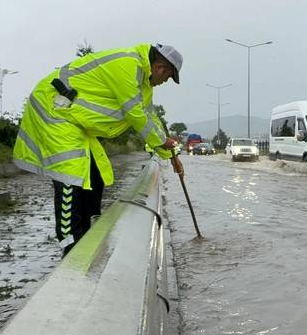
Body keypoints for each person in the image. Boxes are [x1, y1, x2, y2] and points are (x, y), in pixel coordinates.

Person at [12, 43, 184, 255]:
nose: (163, 82)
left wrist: (171, 154)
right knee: (71, 177)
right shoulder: (128, 64)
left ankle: (86, 238)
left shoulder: (143, 84)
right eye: (167, 78)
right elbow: (136, 115)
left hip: (75, 122)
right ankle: (70, 245)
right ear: (160, 68)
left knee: (95, 178)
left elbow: (151, 118)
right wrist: (162, 143)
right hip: (55, 111)